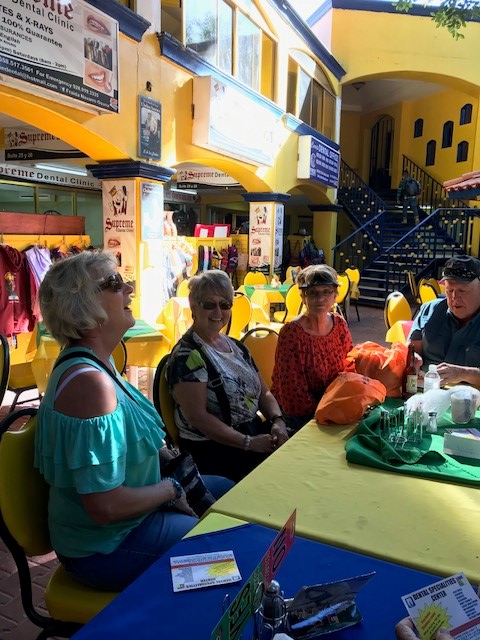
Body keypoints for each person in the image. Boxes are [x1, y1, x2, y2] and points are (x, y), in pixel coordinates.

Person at [34, 252, 233, 592]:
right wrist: (172, 490)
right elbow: (105, 507)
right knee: (222, 548)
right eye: (114, 283)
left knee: (230, 492)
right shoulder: (90, 384)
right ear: (83, 305)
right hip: (106, 546)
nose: (129, 289)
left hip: (136, 518)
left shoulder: (100, 364)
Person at [166, 270, 289, 483]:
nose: (218, 311)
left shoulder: (237, 347)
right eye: (209, 304)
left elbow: (264, 393)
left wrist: (277, 421)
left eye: (225, 305)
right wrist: (249, 442)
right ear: (194, 306)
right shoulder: (187, 356)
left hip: (249, 435)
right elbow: (198, 418)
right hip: (214, 449)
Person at [271, 265, 353, 432]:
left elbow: (350, 364)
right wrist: (325, 413)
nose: (320, 298)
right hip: (301, 417)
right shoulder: (292, 333)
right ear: (303, 296)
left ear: (335, 295)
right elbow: (292, 392)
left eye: (326, 292)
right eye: (312, 292)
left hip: (333, 408)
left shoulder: (339, 324)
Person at [408, 255, 480, 387]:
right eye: (449, 290)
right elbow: (413, 349)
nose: (454, 297)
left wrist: (464, 373)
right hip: (426, 390)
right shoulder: (429, 310)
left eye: (463, 291)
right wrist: (412, 359)